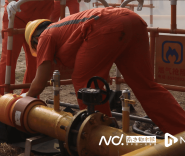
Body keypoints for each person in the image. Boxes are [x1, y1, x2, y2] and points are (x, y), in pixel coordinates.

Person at [24, 7, 185, 135]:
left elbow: (40, 81)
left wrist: (26, 98)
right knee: (146, 86)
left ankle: (103, 135)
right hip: (134, 21)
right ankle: (181, 130)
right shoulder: (64, 29)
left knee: (84, 81)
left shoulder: (45, 35)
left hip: (107, 25)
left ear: (35, 39)